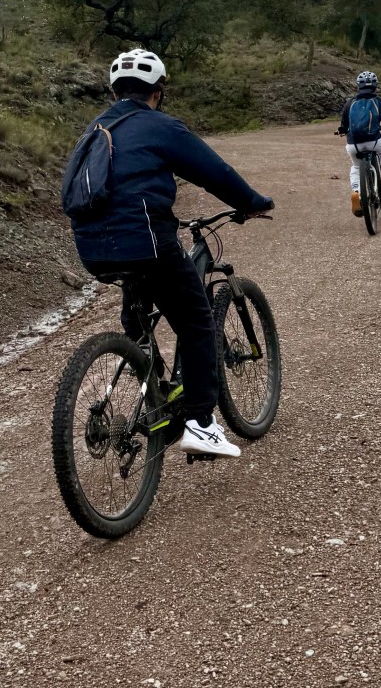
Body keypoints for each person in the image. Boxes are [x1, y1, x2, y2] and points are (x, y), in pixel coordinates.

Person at [67, 48, 274, 458]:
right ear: (158, 92)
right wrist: (251, 201)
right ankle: (200, 422)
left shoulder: (93, 129)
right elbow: (212, 171)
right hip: (145, 242)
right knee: (197, 322)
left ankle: (151, 382)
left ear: (114, 93)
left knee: (140, 309)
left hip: (93, 248)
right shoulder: (159, 126)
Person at [337, 71, 381, 216]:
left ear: (358, 86)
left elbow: (343, 125)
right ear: (375, 86)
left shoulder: (350, 103)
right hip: (374, 142)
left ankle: (357, 192)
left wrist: (341, 131)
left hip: (354, 145)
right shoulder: (378, 101)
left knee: (356, 167)